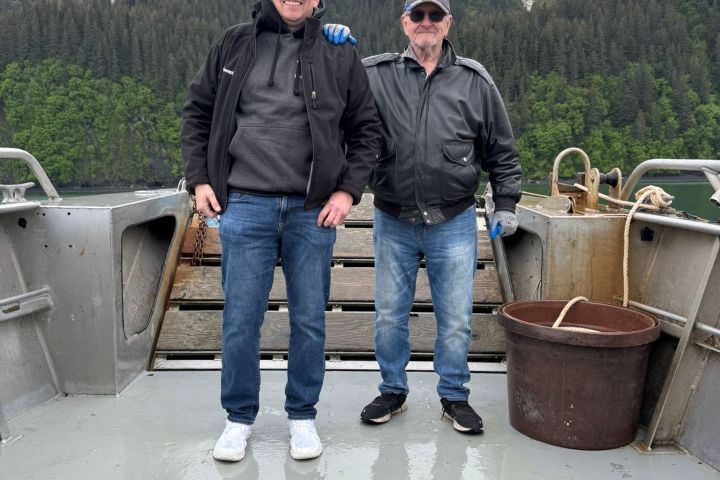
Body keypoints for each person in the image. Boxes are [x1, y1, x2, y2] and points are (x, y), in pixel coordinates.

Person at [181, 0, 379, 461]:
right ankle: (238, 418)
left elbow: (366, 129)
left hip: (312, 211)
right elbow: (197, 114)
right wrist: (200, 179)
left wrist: (347, 191)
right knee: (240, 320)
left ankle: (302, 416)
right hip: (244, 204)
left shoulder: (339, 50)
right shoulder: (232, 43)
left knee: (308, 320)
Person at [324, 0, 521, 434]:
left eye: (435, 16)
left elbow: (502, 154)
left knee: (455, 320)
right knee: (390, 316)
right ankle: (392, 390)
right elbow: (329, 98)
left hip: (453, 220)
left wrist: (505, 204)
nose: (426, 24)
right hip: (393, 218)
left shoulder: (476, 81)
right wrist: (331, 46)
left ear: (448, 23)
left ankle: (454, 396)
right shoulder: (373, 74)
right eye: (418, 16)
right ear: (404, 24)